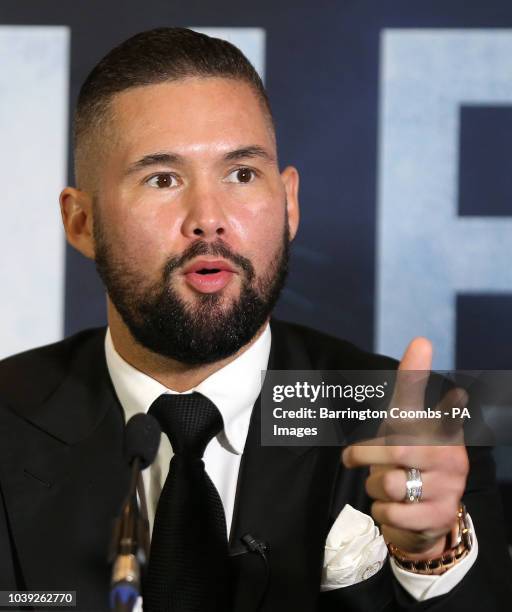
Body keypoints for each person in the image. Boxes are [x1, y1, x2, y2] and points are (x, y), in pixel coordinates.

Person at [0, 27, 510, 612]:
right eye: (162, 179)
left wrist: (429, 555)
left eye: (241, 174)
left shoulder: (407, 426)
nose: (209, 219)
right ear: (81, 223)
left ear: (289, 202)